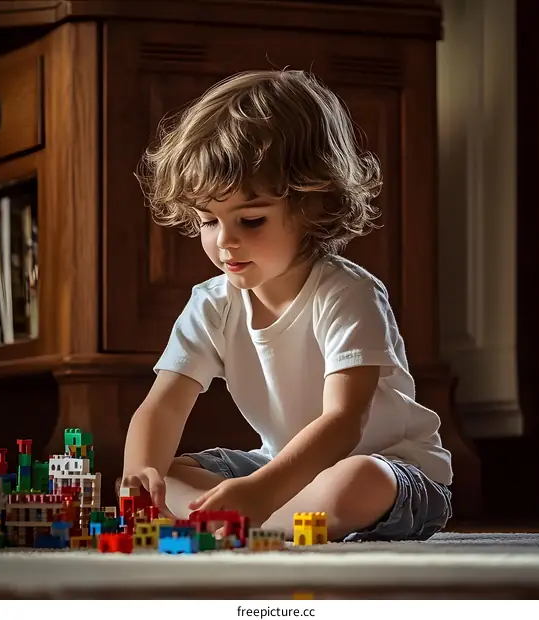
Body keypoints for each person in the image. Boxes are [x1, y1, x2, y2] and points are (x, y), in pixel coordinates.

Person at [120, 69, 452, 542]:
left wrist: (260, 491)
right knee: (172, 475)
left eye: (250, 220)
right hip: (278, 464)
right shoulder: (212, 303)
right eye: (208, 221)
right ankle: (273, 516)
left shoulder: (348, 293)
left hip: (390, 469)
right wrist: (142, 474)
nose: (225, 242)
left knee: (354, 484)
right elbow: (164, 406)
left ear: (313, 206)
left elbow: (343, 423)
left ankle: (255, 516)